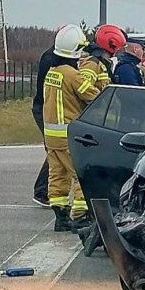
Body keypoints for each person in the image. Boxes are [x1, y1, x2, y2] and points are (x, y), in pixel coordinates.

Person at [43, 24, 101, 232]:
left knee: (57, 175)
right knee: (79, 175)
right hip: (68, 134)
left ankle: (61, 217)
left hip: (51, 137)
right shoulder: (72, 75)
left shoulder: (52, 72)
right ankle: (79, 216)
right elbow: (93, 96)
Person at [31, 44, 57, 207]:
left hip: (46, 107)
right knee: (55, 151)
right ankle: (42, 191)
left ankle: (46, 190)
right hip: (45, 108)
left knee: (55, 151)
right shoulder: (51, 58)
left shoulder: (52, 56)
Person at [79, 24, 126, 93]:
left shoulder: (103, 64)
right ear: (112, 45)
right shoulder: (92, 64)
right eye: (119, 48)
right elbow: (83, 90)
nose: (119, 52)